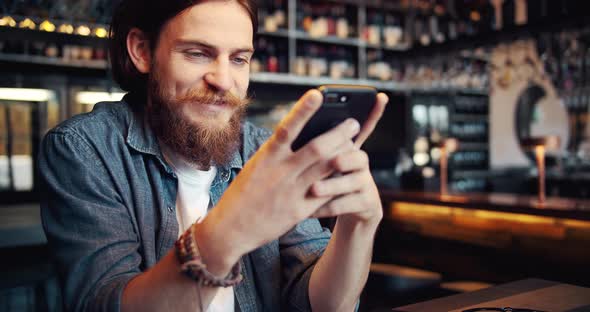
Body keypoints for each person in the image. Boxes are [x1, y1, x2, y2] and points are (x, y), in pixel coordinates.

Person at [39, 0, 389, 311]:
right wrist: (229, 231)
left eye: (239, 59)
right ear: (142, 51)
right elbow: (104, 302)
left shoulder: (263, 151)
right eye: (197, 53)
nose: (223, 79)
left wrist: (358, 227)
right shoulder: (84, 148)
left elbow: (322, 304)